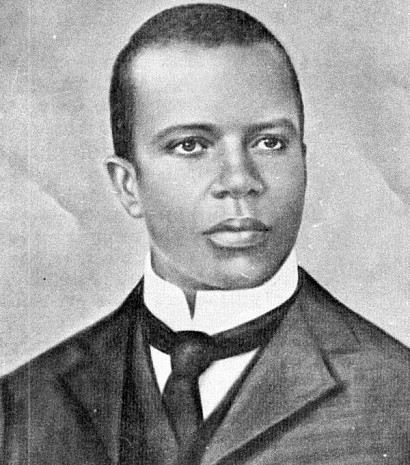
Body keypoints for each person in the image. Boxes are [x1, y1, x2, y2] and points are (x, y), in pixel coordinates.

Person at [1, 4, 409, 464]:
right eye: (191, 145)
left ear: (303, 159)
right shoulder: (20, 405)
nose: (239, 180)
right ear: (128, 186)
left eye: (270, 143)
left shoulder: (398, 396)